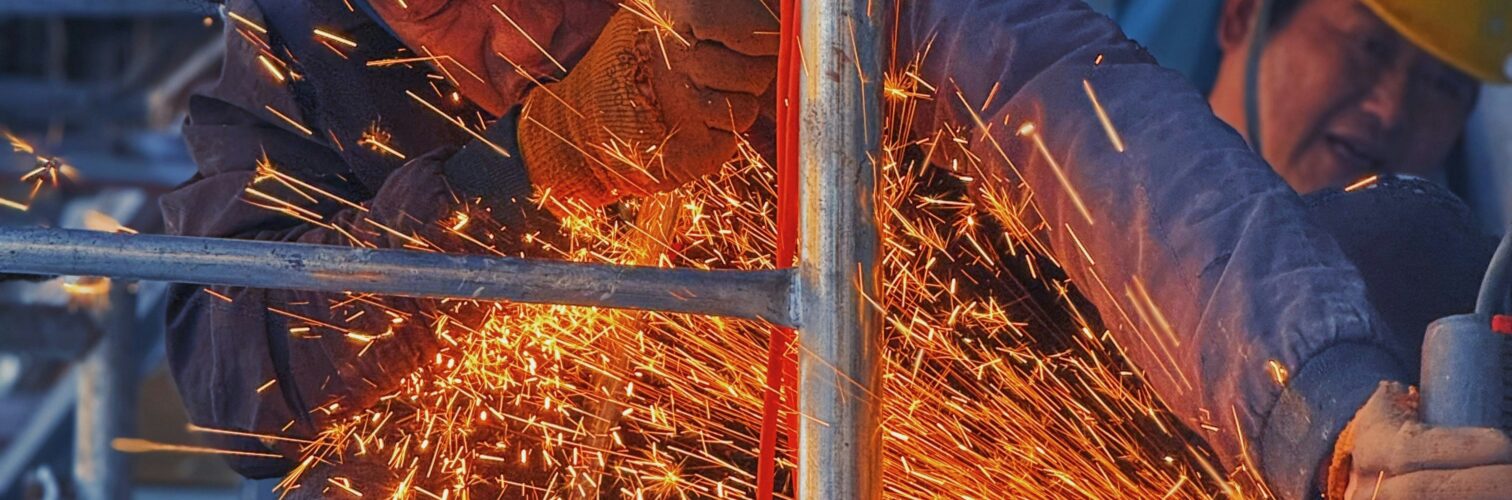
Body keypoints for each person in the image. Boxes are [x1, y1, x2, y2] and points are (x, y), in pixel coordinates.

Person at [162, 0, 1512, 497]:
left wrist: (1325, 409)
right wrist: (528, 170)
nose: (502, 31)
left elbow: (1071, 112)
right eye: (439, 11)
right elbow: (243, 378)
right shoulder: (292, 60)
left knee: (1400, 250)